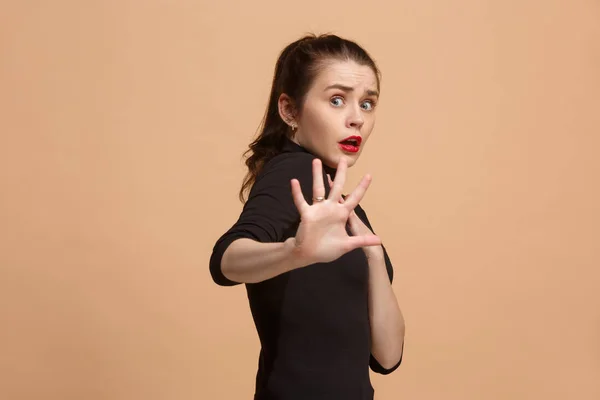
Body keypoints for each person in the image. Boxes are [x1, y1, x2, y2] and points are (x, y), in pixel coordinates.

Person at [209, 33, 406, 400]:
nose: (356, 119)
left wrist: (375, 257)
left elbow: (388, 355)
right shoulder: (292, 172)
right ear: (290, 111)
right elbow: (225, 260)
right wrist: (294, 252)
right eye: (336, 100)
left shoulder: (338, 204)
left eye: (367, 104)